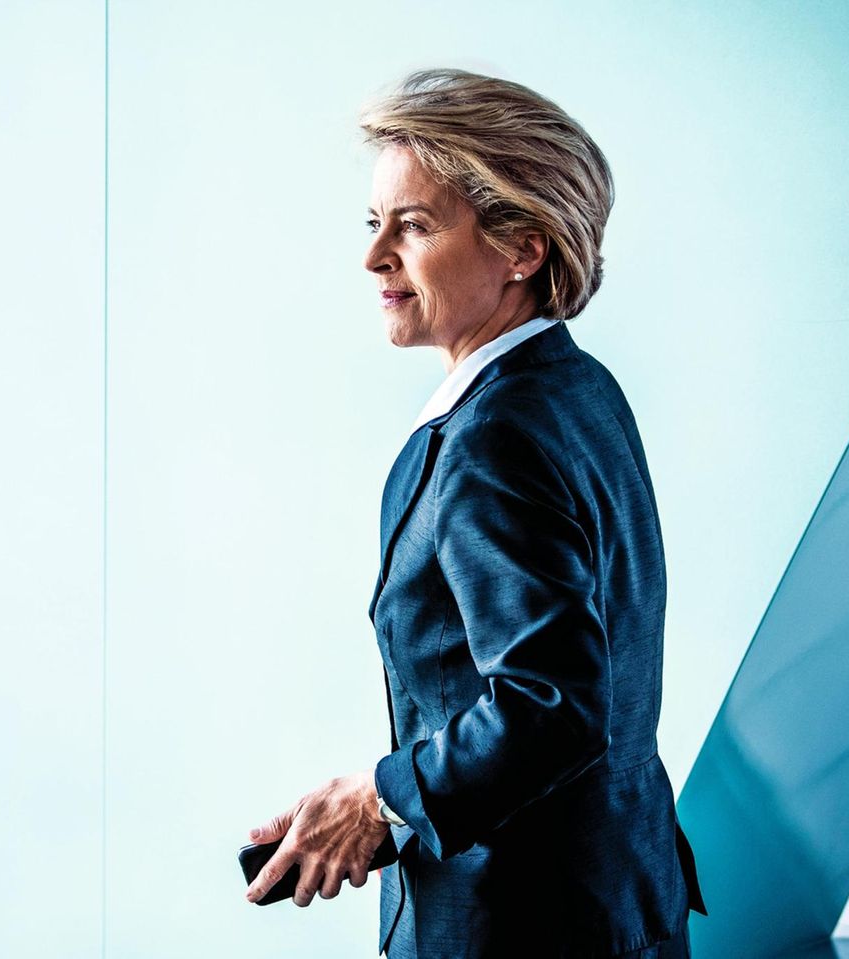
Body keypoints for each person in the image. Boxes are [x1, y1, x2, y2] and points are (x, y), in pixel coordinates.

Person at [242, 69, 707, 957]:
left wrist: (379, 801)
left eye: (414, 225)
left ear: (523, 248)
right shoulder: (578, 387)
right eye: (374, 223)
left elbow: (550, 704)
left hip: (521, 926)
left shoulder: (492, 437)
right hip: (619, 902)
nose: (376, 257)